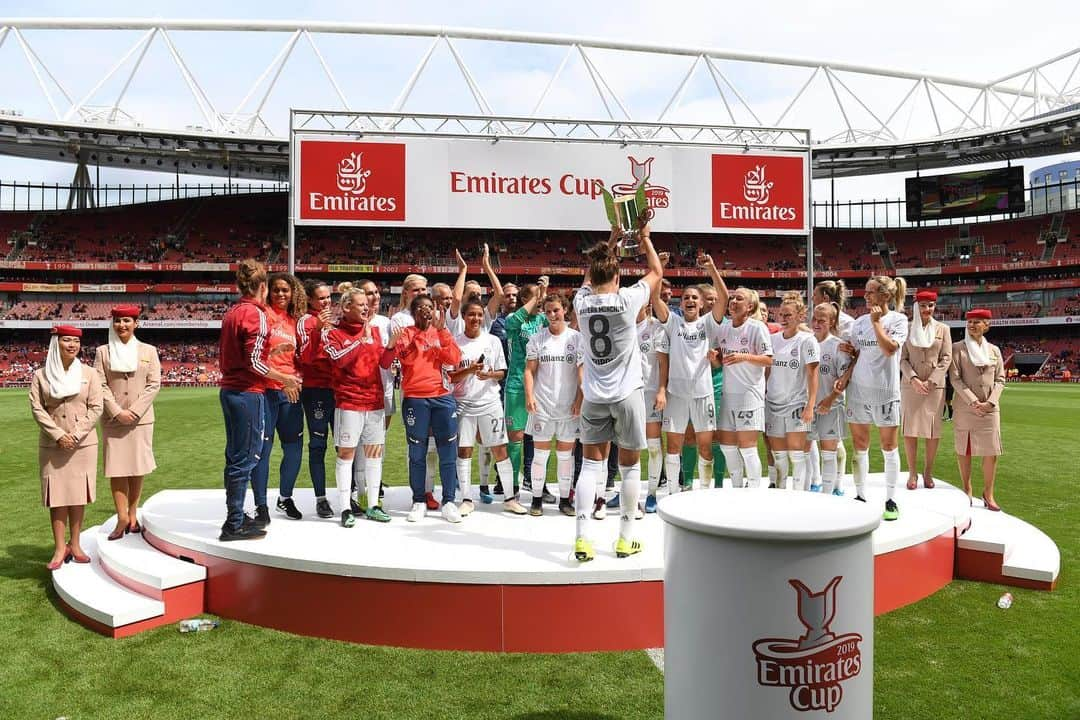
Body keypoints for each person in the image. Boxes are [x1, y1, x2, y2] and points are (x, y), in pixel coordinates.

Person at [572, 224, 662, 562]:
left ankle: (582, 539)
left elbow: (587, 280)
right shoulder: (626, 300)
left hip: (594, 395)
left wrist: (609, 242)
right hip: (627, 394)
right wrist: (645, 237)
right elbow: (656, 271)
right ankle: (625, 539)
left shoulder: (581, 303)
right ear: (618, 275)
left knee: (590, 469)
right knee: (629, 468)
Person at [218, 259, 301, 541]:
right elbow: (254, 361)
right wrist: (285, 377)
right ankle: (234, 523)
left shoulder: (233, 312)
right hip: (248, 392)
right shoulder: (257, 314)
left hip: (230, 390)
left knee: (235, 456)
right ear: (263, 287)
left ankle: (238, 516)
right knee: (248, 456)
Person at [381, 294, 463, 523]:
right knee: (417, 452)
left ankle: (448, 501)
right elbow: (388, 363)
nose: (427, 311)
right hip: (416, 398)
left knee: (448, 451)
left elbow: (454, 359)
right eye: (422, 308)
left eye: (430, 307)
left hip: (442, 397)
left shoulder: (440, 331)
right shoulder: (405, 334)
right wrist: (410, 340)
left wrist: (443, 332)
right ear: (414, 312)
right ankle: (418, 500)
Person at [30, 325, 104, 569]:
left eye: (75, 341)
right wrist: (59, 435)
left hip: (82, 445)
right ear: (56, 344)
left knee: (77, 495)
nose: (72, 345)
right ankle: (60, 548)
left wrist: (75, 434)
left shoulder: (90, 373)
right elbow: (38, 410)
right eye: (66, 340)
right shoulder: (41, 375)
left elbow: (96, 408)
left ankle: (76, 544)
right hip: (53, 445)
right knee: (57, 497)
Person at [654, 265, 728, 495]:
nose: (690, 300)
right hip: (675, 394)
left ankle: (704, 492)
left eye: (695, 297)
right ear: (681, 302)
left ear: (702, 303)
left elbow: (724, 297)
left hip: (703, 392)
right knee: (674, 447)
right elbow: (654, 298)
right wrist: (662, 268)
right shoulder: (673, 322)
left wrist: (712, 270)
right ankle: (674, 492)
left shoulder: (708, 323)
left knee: (706, 447)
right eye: (686, 297)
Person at [323, 283, 391, 526]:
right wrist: (360, 339)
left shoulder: (372, 331)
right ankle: (344, 508)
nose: (366, 307)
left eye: (367, 304)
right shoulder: (333, 333)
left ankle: (373, 505)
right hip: (349, 401)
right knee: (346, 454)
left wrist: (392, 347)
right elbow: (339, 360)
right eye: (361, 304)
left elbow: (383, 362)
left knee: (374, 454)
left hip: (374, 401)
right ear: (346, 306)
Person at [843, 275, 908, 521]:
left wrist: (877, 323)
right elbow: (859, 354)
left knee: (889, 448)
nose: (866, 295)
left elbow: (890, 349)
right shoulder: (859, 322)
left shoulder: (898, 320)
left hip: (885, 392)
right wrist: (849, 353)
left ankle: (891, 500)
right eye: (866, 292)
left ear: (886, 295)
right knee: (860, 446)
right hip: (858, 391)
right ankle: (860, 495)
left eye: (871, 292)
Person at [94, 304, 161, 540]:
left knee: (137, 468)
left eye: (127, 320)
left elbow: (154, 384)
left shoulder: (148, 351)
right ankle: (121, 517)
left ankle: (133, 514)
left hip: (140, 420)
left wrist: (134, 411)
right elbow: (99, 384)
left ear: (136, 323)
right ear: (113, 324)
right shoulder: (103, 352)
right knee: (117, 469)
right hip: (114, 420)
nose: (122, 325)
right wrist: (116, 411)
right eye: (118, 321)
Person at [449, 299, 519, 516]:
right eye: (471, 314)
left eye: (479, 314)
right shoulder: (455, 343)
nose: (476, 319)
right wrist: (469, 370)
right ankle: (467, 499)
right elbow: (450, 377)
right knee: (464, 450)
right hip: (464, 404)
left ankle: (509, 498)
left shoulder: (493, 341)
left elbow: (501, 372)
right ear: (463, 317)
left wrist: (488, 374)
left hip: (489, 402)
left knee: (500, 449)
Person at [524, 292, 584, 517]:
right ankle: (537, 499)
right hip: (543, 407)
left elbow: (582, 372)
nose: (552, 315)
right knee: (540, 455)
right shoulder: (537, 339)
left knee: (565, 456)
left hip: (569, 407)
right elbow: (529, 370)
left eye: (556, 310)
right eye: (548, 311)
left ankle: (564, 500)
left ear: (565, 310)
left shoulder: (576, 338)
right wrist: (529, 396)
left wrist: (580, 399)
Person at [255, 273, 307, 523]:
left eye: (286, 290)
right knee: (262, 450)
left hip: (291, 393)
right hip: (266, 391)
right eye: (276, 290)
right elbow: (255, 356)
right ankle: (260, 505)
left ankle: (285, 498)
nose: (281, 294)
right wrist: (282, 379)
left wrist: (295, 378)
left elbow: (299, 358)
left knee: (294, 449)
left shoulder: (294, 322)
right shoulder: (262, 316)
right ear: (268, 291)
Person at [712, 287, 773, 490]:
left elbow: (767, 360)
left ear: (750, 306)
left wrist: (743, 356)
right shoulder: (724, 329)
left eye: (739, 298)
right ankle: (737, 489)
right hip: (728, 395)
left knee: (748, 448)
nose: (733, 301)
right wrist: (715, 359)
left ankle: (754, 491)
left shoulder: (757, 328)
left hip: (749, 395)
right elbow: (721, 361)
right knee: (727, 447)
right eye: (732, 298)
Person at [950, 309, 1006, 510]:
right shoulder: (957, 348)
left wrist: (990, 402)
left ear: (987, 326)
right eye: (970, 321)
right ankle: (967, 490)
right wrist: (973, 401)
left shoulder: (994, 351)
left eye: (977, 322)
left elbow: (1000, 379)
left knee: (991, 452)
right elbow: (955, 379)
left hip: (990, 410)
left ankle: (988, 493)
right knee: (964, 450)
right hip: (966, 408)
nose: (972, 325)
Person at [504, 277, 553, 503]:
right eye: (535, 295)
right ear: (525, 299)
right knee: (516, 438)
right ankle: (511, 487)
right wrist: (537, 296)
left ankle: (539, 487)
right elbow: (516, 321)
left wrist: (544, 294)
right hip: (516, 385)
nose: (541, 298)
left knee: (542, 438)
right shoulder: (514, 320)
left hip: (541, 387)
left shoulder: (544, 320)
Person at [765, 292, 819, 491]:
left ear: (799, 316)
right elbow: (768, 369)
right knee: (779, 457)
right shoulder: (773, 339)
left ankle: (799, 497)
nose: (783, 319)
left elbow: (813, 375)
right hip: (773, 403)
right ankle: (781, 495)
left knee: (796, 455)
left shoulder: (807, 340)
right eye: (781, 315)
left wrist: (810, 405)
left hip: (796, 403)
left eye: (788, 315)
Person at [900, 289, 952, 491]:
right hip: (910, 386)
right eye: (923, 305)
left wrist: (932, 380)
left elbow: (946, 358)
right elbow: (902, 358)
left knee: (932, 431)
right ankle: (912, 472)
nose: (927, 309)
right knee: (910, 431)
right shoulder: (907, 328)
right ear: (916, 306)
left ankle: (928, 472)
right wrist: (913, 378)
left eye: (930, 305)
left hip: (934, 387)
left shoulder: (943, 329)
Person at [296, 279, 336, 519]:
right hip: (316, 391)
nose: (327, 301)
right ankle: (321, 499)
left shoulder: (333, 323)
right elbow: (304, 359)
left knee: (345, 446)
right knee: (318, 445)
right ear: (310, 300)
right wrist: (318, 331)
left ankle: (348, 496)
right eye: (321, 298)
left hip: (338, 390)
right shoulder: (306, 322)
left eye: (328, 297)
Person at [810, 302, 854, 495]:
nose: (816, 323)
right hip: (806, 408)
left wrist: (829, 399)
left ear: (832, 321)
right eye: (814, 319)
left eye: (822, 320)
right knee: (803, 453)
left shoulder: (838, 346)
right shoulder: (805, 342)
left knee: (828, 454)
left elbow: (843, 380)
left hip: (831, 407)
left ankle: (827, 496)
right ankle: (806, 491)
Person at [635, 291, 668, 512]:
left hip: (650, 392)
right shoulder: (623, 327)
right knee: (629, 447)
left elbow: (664, 363)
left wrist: (661, 390)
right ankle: (630, 493)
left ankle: (652, 494)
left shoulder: (656, 327)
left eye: (646, 303)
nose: (644, 306)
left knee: (654, 446)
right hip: (628, 393)